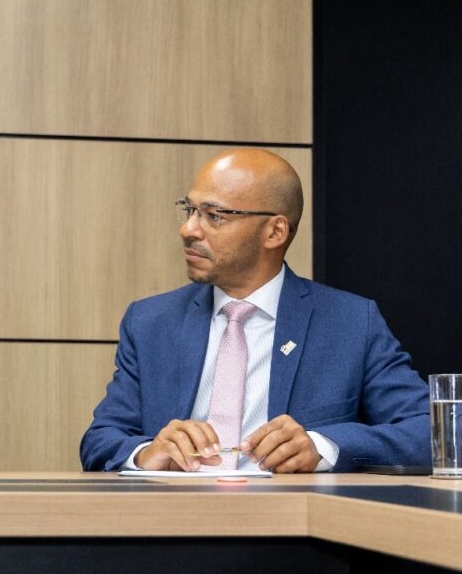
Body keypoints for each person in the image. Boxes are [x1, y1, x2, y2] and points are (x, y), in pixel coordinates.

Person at [80, 148, 429, 473]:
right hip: (175, 514)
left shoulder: (350, 323)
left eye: (214, 216)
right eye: (190, 211)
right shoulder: (151, 322)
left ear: (274, 231)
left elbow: (430, 431)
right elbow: (101, 440)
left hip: (289, 516)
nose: (188, 229)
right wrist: (146, 453)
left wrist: (322, 447)